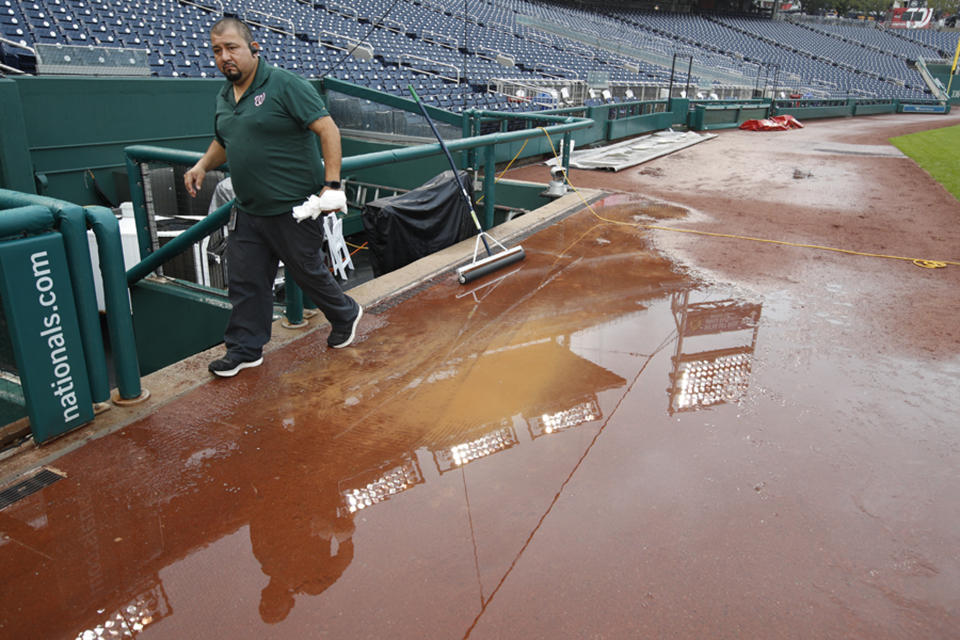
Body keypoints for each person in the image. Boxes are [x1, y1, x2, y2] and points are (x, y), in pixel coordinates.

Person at [184, 17, 363, 378]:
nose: (224, 57)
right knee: (245, 281)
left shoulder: (284, 84)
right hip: (249, 209)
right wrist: (203, 165)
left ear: (254, 48)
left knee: (308, 273)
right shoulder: (224, 95)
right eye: (217, 50)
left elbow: (327, 128)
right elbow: (225, 140)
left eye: (231, 47)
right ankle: (245, 349)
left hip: (293, 208)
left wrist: (332, 183)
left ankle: (345, 313)